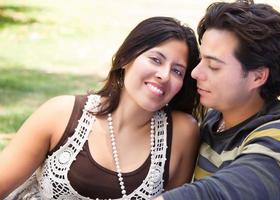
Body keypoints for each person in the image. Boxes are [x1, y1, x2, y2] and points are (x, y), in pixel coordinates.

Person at [0, 16, 205, 199]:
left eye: (177, 71)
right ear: (126, 58)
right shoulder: (60, 114)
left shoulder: (182, 133)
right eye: (155, 60)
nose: (164, 75)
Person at [154, 0, 280, 200]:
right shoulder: (213, 119)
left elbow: (222, 194)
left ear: (257, 77)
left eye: (213, 66)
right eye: (200, 60)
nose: (196, 73)